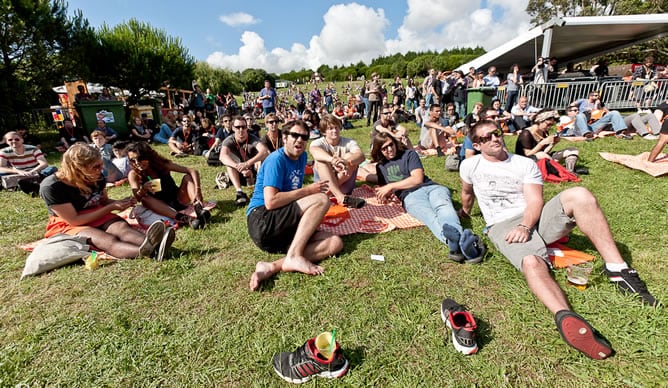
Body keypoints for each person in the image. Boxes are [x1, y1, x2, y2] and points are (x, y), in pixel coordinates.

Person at [459, 120, 658, 359]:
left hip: (533, 217)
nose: (494, 138)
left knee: (579, 195)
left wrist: (525, 225)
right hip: (502, 225)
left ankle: (618, 269)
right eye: (486, 137)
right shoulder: (470, 166)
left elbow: (534, 201)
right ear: (477, 145)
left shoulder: (523, 164)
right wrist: (465, 212)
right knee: (532, 262)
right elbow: (467, 193)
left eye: (496, 133)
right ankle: (566, 318)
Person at [246, 120, 344, 291]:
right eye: (295, 135)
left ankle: (272, 266)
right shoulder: (276, 160)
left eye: (304, 137)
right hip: (262, 220)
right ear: (284, 137)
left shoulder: (302, 157)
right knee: (321, 199)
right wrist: (308, 191)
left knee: (334, 243)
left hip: (281, 225)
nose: (300, 140)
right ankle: (295, 255)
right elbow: (271, 202)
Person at [39, 143, 174, 260]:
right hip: (69, 222)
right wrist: (111, 207)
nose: (101, 170)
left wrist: (120, 203)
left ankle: (158, 245)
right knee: (107, 240)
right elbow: (74, 220)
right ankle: (151, 252)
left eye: (101, 165)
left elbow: (103, 201)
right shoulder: (52, 186)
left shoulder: (97, 177)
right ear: (77, 168)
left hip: (97, 212)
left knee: (123, 229)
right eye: (95, 167)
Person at [370, 132, 485, 263]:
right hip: (410, 196)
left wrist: (391, 186)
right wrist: (384, 193)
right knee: (430, 217)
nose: (390, 149)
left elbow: (417, 179)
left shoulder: (409, 154)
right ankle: (461, 243)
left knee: (443, 208)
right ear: (379, 150)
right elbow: (384, 189)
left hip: (432, 188)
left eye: (391, 144)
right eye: (384, 148)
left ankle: (454, 243)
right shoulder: (380, 167)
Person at [126, 141, 208, 229]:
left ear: (148, 156)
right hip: (161, 206)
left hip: (177, 198)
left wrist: (198, 191)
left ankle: (198, 208)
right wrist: (143, 189)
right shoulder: (133, 174)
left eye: (139, 158)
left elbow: (192, 171)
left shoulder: (162, 165)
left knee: (187, 177)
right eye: (132, 160)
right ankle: (184, 218)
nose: (137, 162)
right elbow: (137, 198)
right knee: (145, 199)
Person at [309, 115, 366, 208]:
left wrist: (345, 162)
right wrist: (333, 160)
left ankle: (331, 192)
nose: (335, 131)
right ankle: (340, 197)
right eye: (330, 128)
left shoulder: (348, 142)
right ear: (324, 132)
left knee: (350, 158)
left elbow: (361, 156)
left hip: (341, 186)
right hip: (324, 184)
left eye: (336, 127)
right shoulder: (318, 143)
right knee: (320, 161)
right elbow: (314, 151)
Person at [219, 116, 270, 206]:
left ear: (247, 128)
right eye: (238, 127)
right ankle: (239, 192)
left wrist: (247, 163)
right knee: (229, 164)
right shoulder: (229, 140)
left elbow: (265, 151)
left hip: (254, 170)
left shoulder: (252, 138)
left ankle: (259, 188)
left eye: (243, 127)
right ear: (233, 128)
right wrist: (239, 167)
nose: (241, 129)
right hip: (239, 172)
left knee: (262, 159)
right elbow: (222, 156)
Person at [515, 110, 581, 172]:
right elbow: (527, 154)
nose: (549, 127)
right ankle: (561, 171)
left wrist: (552, 144)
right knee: (541, 154)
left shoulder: (544, 132)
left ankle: (570, 171)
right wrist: (541, 143)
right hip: (526, 162)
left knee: (573, 150)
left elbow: (545, 152)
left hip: (543, 158)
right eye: (548, 124)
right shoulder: (526, 133)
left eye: (551, 125)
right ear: (540, 121)